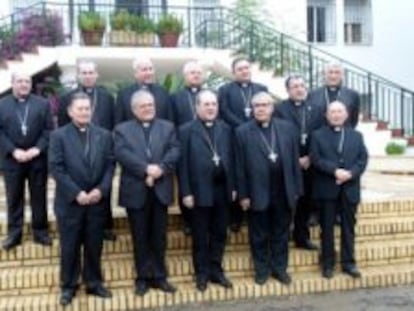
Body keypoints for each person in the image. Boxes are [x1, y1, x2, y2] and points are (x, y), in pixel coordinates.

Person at [49, 92, 114, 305]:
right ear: (70, 111)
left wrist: (101, 190)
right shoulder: (58, 136)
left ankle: (94, 283)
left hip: (96, 202)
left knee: (94, 245)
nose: (85, 112)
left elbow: (110, 165)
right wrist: (77, 193)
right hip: (70, 203)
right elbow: (56, 168)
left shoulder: (104, 135)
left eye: (87, 108)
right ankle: (68, 285)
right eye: (80, 108)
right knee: (70, 246)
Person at [114, 90, 179, 296]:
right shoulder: (122, 129)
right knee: (140, 236)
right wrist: (146, 169)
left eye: (150, 104)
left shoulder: (167, 127)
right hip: (136, 190)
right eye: (143, 106)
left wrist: (160, 168)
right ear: (134, 109)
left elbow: (175, 150)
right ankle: (142, 277)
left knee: (159, 236)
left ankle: (160, 276)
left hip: (160, 188)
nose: (148, 108)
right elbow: (122, 154)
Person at [235, 91, 303, 286]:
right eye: (257, 106)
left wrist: (297, 188)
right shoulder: (242, 131)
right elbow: (239, 166)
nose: (261, 109)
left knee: (281, 233)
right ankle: (262, 270)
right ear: (252, 109)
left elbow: (294, 161)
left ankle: (280, 269)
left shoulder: (287, 128)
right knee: (258, 234)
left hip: (283, 190)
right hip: (257, 192)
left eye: (265, 105)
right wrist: (243, 194)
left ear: (272, 107)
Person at [178, 90, 234, 292]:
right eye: (206, 104)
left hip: (222, 190)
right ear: (197, 107)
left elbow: (232, 160)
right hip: (198, 191)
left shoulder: (226, 129)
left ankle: (216, 271)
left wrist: (234, 187)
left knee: (220, 233)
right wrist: (186, 192)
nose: (211, 108)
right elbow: (182, 165)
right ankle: (201, 274)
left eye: (214, 104)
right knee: (200, 235)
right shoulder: (185, 130)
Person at [58, 60, 117, 241]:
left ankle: (105, 226)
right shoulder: (68, 97)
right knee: (79, 187)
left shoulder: (106, 96)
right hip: (77, 150)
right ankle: (80, 225)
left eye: (91, 72)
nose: (88, 76)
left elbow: (113, 123)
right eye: (84, 73)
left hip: (101, 148)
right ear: (78, 75)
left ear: (97, 75)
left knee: (103, 188)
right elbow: (62, 125)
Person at [310, 101, 368, 279]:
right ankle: (328, 264)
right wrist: (335, 171)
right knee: (326, 229)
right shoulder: (317, 135)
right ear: (327, 116)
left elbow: (362, 159)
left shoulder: (357, 135)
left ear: (346, 115)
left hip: (349, 188)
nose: (336, 115)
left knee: (348, 228)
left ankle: (349, 263)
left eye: (339, 111)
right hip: (327, 189)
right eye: (332, 112)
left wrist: (351, 174)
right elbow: (316, 159)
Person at [0, 72, 53, 250]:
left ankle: (41, 232)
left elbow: (48, 131)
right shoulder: (2, 104)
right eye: (20, 81)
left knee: (39, 197)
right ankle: (14, 234)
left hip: (37, 159)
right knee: (14, 197)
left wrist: (36, 149)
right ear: (12, 83)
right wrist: (13, 150)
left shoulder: (42, 104)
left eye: (27, 81)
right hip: (12, 160)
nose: (24, 84)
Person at [218, 56, 268, 233]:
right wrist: (243, 127)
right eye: (240, 69)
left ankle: (254, 211)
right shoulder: (225, 90)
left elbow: (266, 111)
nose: (244, 71)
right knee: (237, 177)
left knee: (255, 174)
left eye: (246, 68)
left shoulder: (261, 89)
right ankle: (236, 218)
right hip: (235, 139)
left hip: (259, 140)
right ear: (233, 72)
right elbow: (223, 111)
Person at [275, 74, 324, 250]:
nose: (299, 89)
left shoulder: (317, 109)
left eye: (302, 85)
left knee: (305, 201)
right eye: (295, 86)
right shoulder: (279, 109)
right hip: (288, 162)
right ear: (288, 90)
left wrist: (310, 157)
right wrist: (294, 158)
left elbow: (321, 135)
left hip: (310, 162)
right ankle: (282, 236)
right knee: (287, 201)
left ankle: (302, 237)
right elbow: (277, 136)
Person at [170, 60, 205, 235]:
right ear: (185, 76)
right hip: (184, 146)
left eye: (198, 72)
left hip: (208, 145)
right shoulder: (175, 97)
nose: (196, 75)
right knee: (186, 182)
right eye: (192, 73)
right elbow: (172, 123)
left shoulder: (211, 96)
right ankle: (188, 221)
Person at [115, 57, 170, 124]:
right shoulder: (124, 95)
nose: (149, 73)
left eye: (151, 69)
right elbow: (119, 123)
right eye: (144, 70)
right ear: (136, 74)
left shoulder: (163, 92)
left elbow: (169, 120)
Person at [308, 62, 360, 128]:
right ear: (324, 74)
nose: (333, 76)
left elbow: (354, 120)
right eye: (330, 72)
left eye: (337, 72)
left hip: (344, 134)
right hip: (319, 135)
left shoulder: (353, 95)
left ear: (342, 75)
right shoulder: (312, 95)